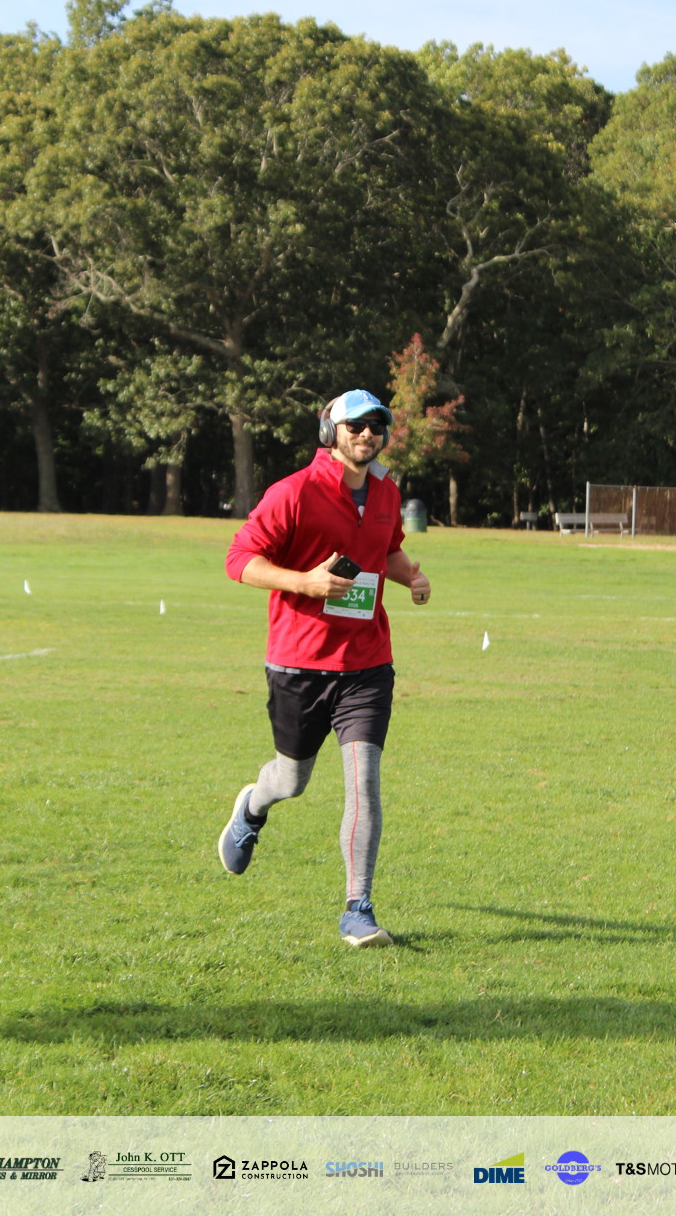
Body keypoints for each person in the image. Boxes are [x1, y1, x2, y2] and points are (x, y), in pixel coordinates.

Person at [220, 387, 431, 946]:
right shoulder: (293, 492)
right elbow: (238, 560)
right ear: (329, 430)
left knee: (364, 783)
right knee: (291, 779)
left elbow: (386, 549)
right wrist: (304, 582)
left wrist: (410, 577)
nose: (367, 434)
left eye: (376, 425)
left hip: (367, 662)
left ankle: (358, 908)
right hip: (299, 663)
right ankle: (252, 807)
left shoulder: (386, 491)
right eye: (355, 425)